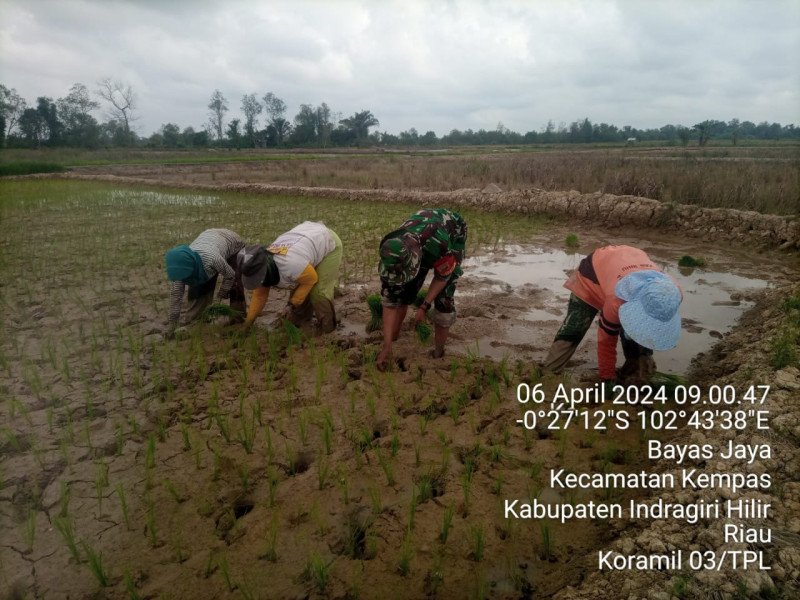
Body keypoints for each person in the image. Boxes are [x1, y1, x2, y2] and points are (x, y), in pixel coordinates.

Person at [542, 245, 683, 384]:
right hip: (593, 273)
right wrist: (606, 377)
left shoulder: (672, 293)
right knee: (576, 326)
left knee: (636, 333)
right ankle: (549, 372)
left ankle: (634, 371)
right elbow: (606, 341)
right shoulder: (617, 301)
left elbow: (650, 325)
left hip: (627, 261)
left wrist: (645, 355)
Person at [376, 208, 467, 369]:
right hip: (419, 240)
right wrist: (386, 346)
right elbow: (389, 301)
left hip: (451, 232)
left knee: (444, 299)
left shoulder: (440, 245)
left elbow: (443, 277)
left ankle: (438, 352)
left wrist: (424, 306)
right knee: (400, 290)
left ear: (414, 260)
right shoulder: (393, 250)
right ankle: (393, 339)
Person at [237, 221, 342, 333]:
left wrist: (292, 304)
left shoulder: (290, 264)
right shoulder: (259, 267)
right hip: (304, 239)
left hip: (327, 240)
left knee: (318, 291)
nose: (257, 279)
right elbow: (259, 297)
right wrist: (247, 324)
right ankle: (302, 319)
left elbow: (311, 279)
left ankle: (328, 330)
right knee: (299, 282)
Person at [165, 228, 246, 337]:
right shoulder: (180, 269)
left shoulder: (212, 259)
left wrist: (220, 296)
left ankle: (237, 315)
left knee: (235, 284)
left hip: (232, 244)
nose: (184, 279)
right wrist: (172, 326)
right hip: (209, 241)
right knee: (199, 286)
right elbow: (176, 297)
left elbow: (230, 275)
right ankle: (197, 319)